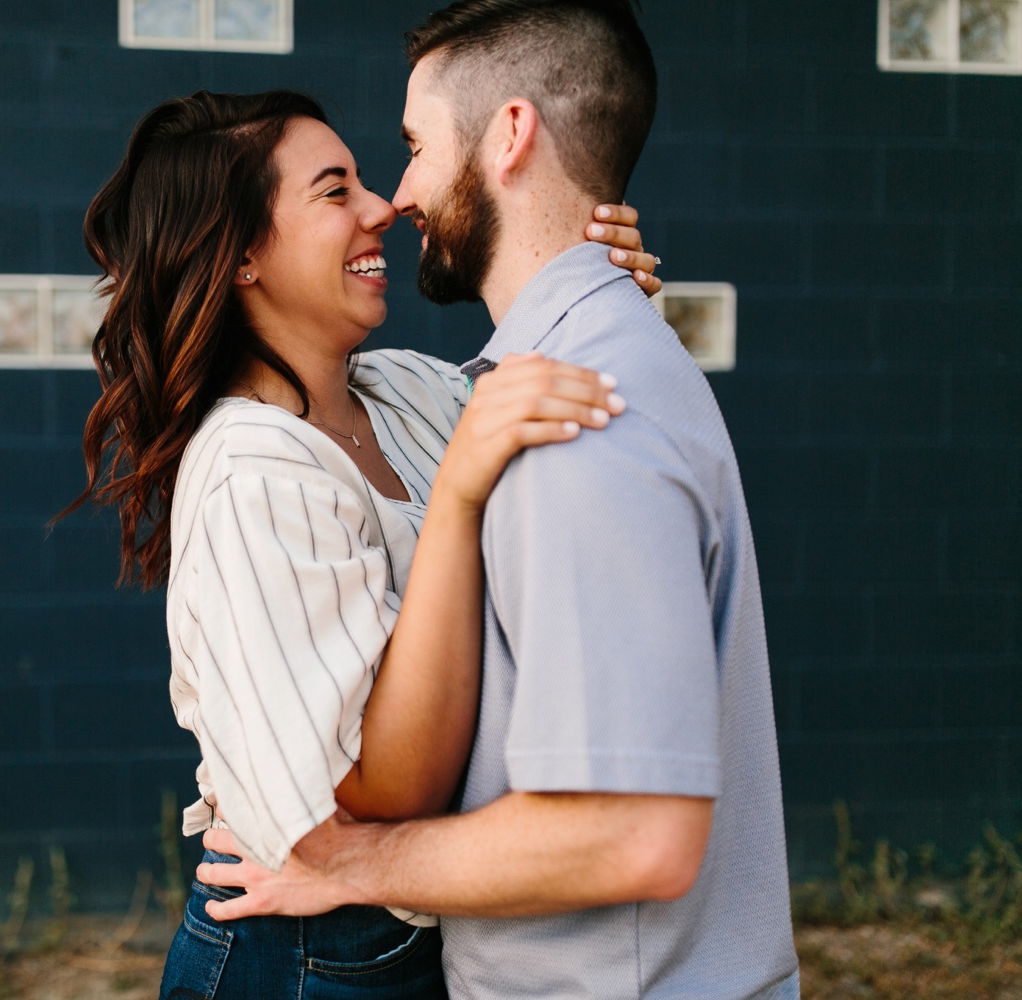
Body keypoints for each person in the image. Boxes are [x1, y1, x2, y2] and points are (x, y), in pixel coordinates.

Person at [196, 3, 802, 999]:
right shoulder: (567, 372)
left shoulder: (575, 418)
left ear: (510, 134)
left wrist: (340, 858)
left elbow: (631, 834)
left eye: (414, 148)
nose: (399, 198)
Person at [63, 87, 658, 998]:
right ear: (244, 256)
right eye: (334, 190)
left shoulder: (406, 391)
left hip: (409, 927)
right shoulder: (254, 474)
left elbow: (572, 459)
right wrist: (336, 858)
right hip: (307, 957)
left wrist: (603, 299)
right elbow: (358, 803)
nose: (384, 206)